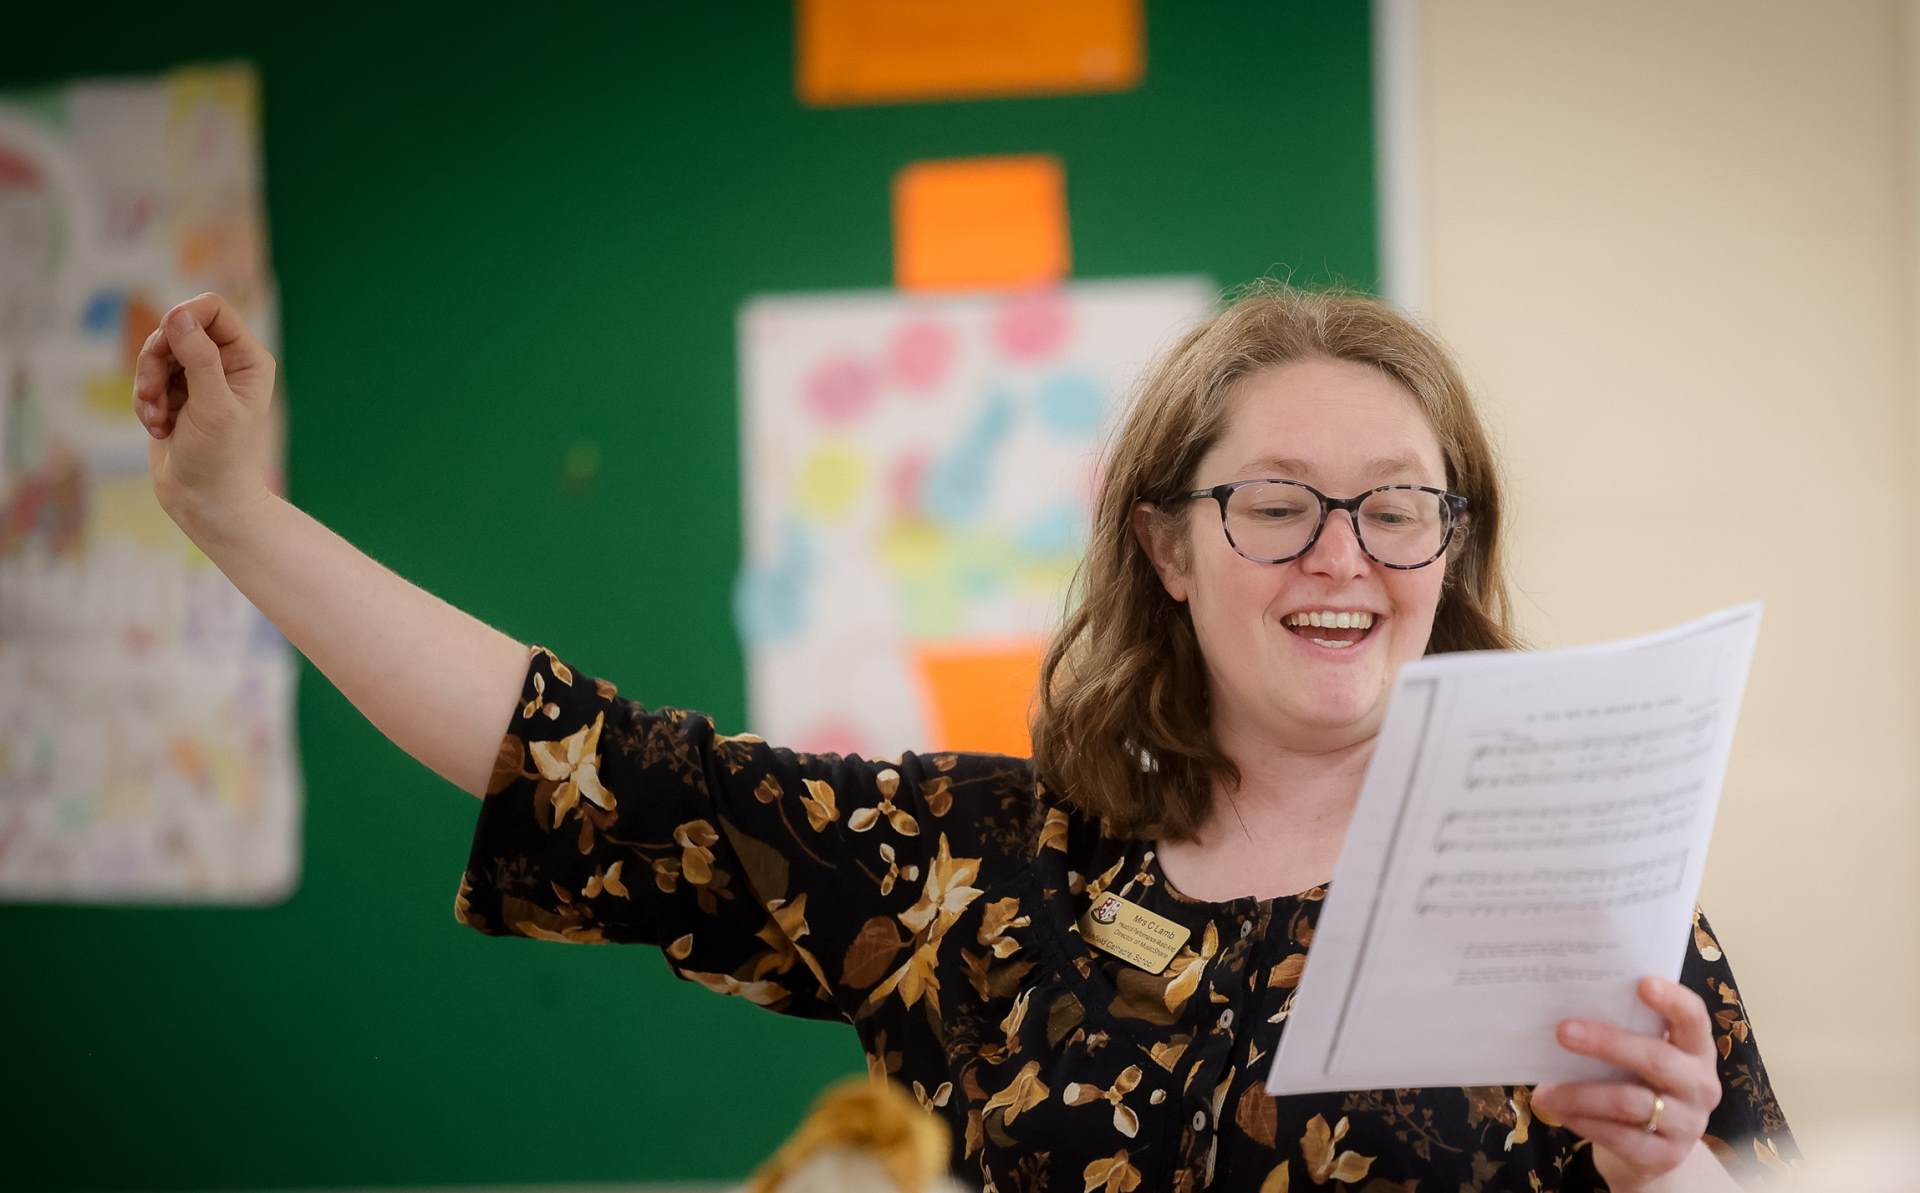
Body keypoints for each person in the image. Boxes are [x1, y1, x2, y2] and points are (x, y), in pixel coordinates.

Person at [135, 283, 1798, 1191]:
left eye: (1398, 507)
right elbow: (584, 766)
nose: (1342, 558)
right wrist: (232, 513)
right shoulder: (982, 868)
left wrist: (1664, 1172)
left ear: (1453, 541)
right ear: (1167, 547)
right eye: (1278, 504)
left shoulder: (1585, 892)